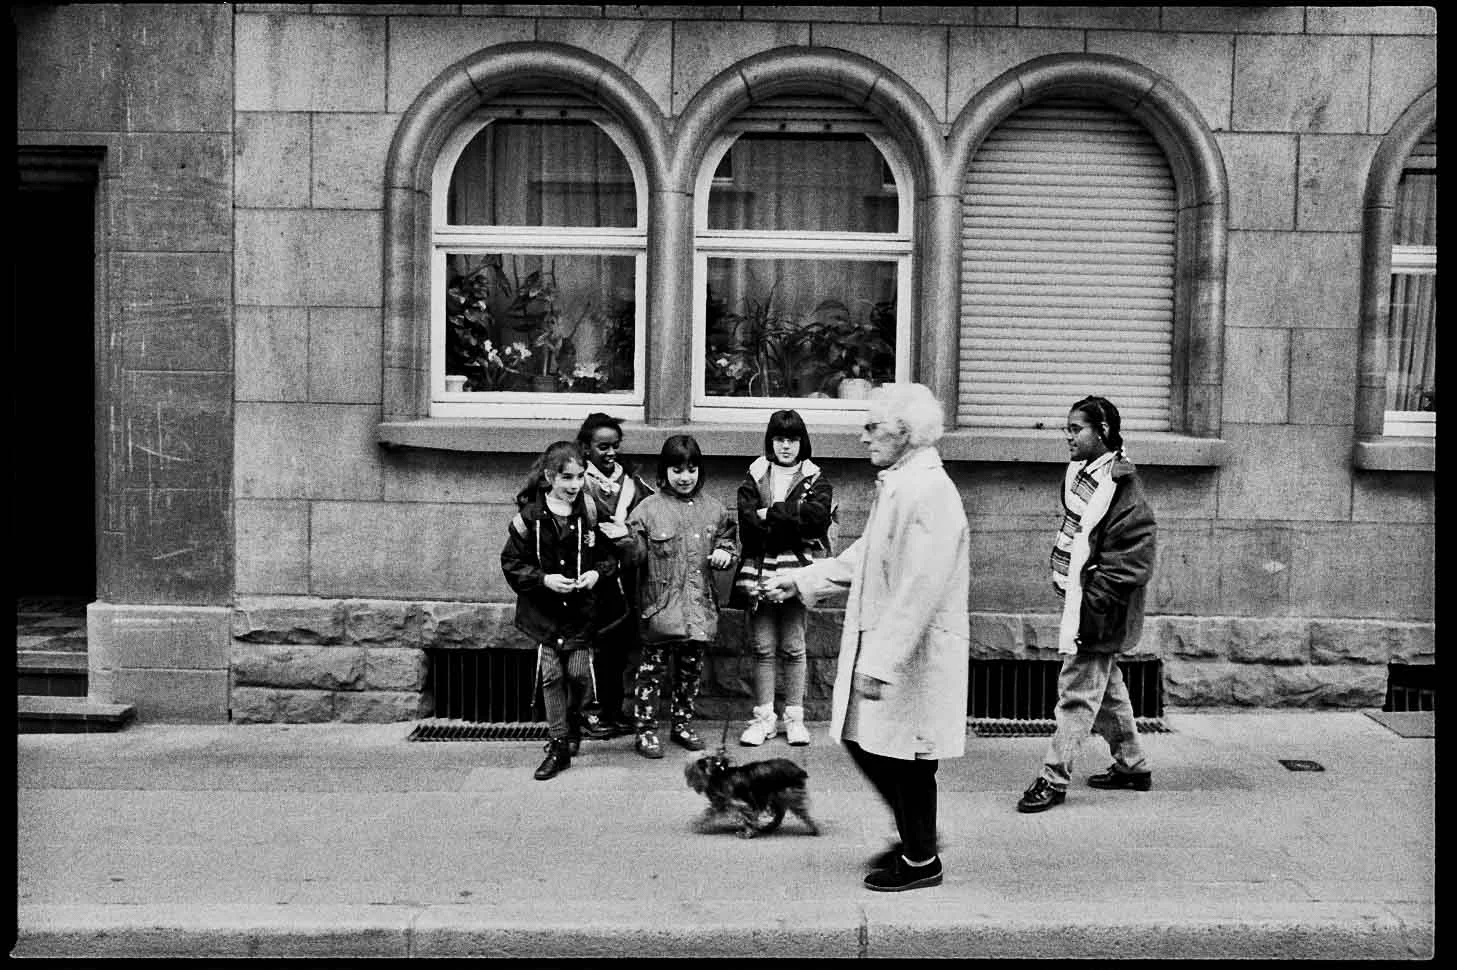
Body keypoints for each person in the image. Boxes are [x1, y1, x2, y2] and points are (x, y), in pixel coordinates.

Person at [763, 383, 969, 893]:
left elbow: (921, 586)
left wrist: (881, 661)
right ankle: (917, 840)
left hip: (912, 650)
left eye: (872, 428)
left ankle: (921, 857)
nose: (862, 438)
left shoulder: (928, 491)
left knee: (907, 756)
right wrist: (805, 579)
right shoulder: (902, 482)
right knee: (877, 745)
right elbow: (867, 554)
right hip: (897, 646)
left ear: (904, 432)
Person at [1016, 395, 1157, 813]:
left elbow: (1137, 554)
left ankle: (1053, 778)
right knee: (1105, 686)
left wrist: (1095, 599)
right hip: (1085, 601)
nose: (1068, 437)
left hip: (1099, 609)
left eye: (1076, 429)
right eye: (1067, 429)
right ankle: (1132, 765)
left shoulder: (1122, 485)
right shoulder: (1082, 473)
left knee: (1077, 691)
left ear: (1104, 433)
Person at [500, 441, 618, 781]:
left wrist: (598, 573)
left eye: (580, 477)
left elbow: (612, 555)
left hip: (582, 612)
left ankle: (573, 720)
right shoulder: (530, 518)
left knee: (579, 674)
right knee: (551, 676)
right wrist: (543, 580)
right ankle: (558, 743)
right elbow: (511, 562)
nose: (574, 485)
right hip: (546, 614)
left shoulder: (591, 511)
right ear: (550, 477)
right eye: (567, 478)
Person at [625, 434, 737, 759]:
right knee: (650, 673)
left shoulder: (715, 510)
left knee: (690, 673)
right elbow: (635, 557)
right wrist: (624, 541)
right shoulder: (647, 509)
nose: (685, 477)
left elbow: (729, 541)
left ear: (700, 470)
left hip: (698, 608)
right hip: (659, 610)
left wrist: (724, 553)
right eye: (677, 470)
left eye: (691, 469)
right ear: (665, 471)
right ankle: (645, 730)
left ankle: (682, 723)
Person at [728, 409, 834, 747]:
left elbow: (817, 522)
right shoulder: (755, 475)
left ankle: (794, 717)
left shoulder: (815, 477)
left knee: (793, 645)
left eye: (792, 439)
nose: (786, 446)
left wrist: (771, 513)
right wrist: (791, 518)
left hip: (796, 569)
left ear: (802, 442)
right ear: (770, 441)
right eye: (779, 439)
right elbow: (749, 529)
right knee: (762, 646)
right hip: (759, 566)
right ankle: (763, 719)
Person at [575, 412, 655, 740]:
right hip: (589, 578)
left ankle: (614, 710)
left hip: (624, 580)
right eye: (603, 447)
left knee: (619, 648)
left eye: (615, 447)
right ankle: (589, 712)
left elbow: (650, 518)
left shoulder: (632, 484)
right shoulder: (577, 482)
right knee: (591, 648)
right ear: (585, 448)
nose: (610, 453)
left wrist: (628, 535)